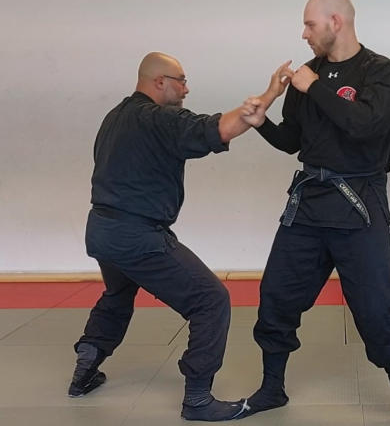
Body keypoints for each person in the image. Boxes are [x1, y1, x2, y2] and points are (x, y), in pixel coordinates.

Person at [238, 0, 390, 426]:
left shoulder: (378, 71)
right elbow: (292, 141)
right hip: (309, 202)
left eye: (310, 24)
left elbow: (368, 126)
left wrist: (315, 87)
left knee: (377, 307)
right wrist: (261, 124)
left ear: (335, 22)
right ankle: (272, 388)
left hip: (360, 203)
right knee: (277, 294)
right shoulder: (309, 76)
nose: (304, 33)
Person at [68, 52, 289, 422]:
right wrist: (270, 94)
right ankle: (198, 399)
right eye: (181, 81)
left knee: (118, 293)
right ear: (160, 82)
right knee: (211, 300)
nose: (186, 89)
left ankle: (85, 366)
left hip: (102, 230)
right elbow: (221, 128)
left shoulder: (115, 116)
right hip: (137, 235)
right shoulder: (160, 119)